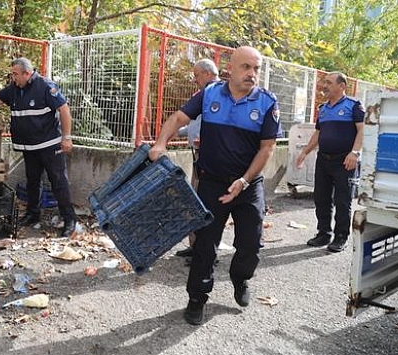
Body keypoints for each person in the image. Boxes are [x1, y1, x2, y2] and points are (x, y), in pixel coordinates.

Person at [149, 46, 282, 325]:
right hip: (212, 183)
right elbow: (178, 119)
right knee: (205, 245)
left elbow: (267, 149)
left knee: (250, 244)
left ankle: (240, 277)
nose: (251, 74)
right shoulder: (209, 94)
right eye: (246, 67)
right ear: (230, 70)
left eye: (256, 68)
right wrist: (160, 144)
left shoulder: (267, 103)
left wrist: (244, 180)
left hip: (248, 185)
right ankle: (197, 298)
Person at [0, 57, 77, 237]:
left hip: (49, 144)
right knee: (32, 181)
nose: (13, 77)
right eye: (12, 74)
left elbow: (64, 109)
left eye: (16, 74)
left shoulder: (45, 86)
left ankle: (69, 220)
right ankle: (33, 215)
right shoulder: (14, 89)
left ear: (27, 73)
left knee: (58, 181)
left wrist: (66, 137)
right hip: (29, 146)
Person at [296, 72, 364, 252]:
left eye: (329, 82)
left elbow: (362, 131)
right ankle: (323, 233)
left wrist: (355, 153)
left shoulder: (354, 106)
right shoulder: (323, 109)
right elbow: (318, 134)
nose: (324, 86)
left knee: (342, 200)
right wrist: (304, 152)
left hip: (345, 161)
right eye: (324, 82)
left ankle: (341, 237)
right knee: (321, 198)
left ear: (342, 86)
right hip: (324, 160)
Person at [175, 58, 221, 264]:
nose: (195, 80)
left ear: (208, 73)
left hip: (210, 157)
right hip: (197, 155)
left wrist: (208, 139)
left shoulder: (219, 93)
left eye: (197, 75)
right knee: (196, 201)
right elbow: (195, 122)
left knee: (206, 203)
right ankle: (195, 247)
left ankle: (206, 253)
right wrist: (180, 131)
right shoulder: (204, 93)